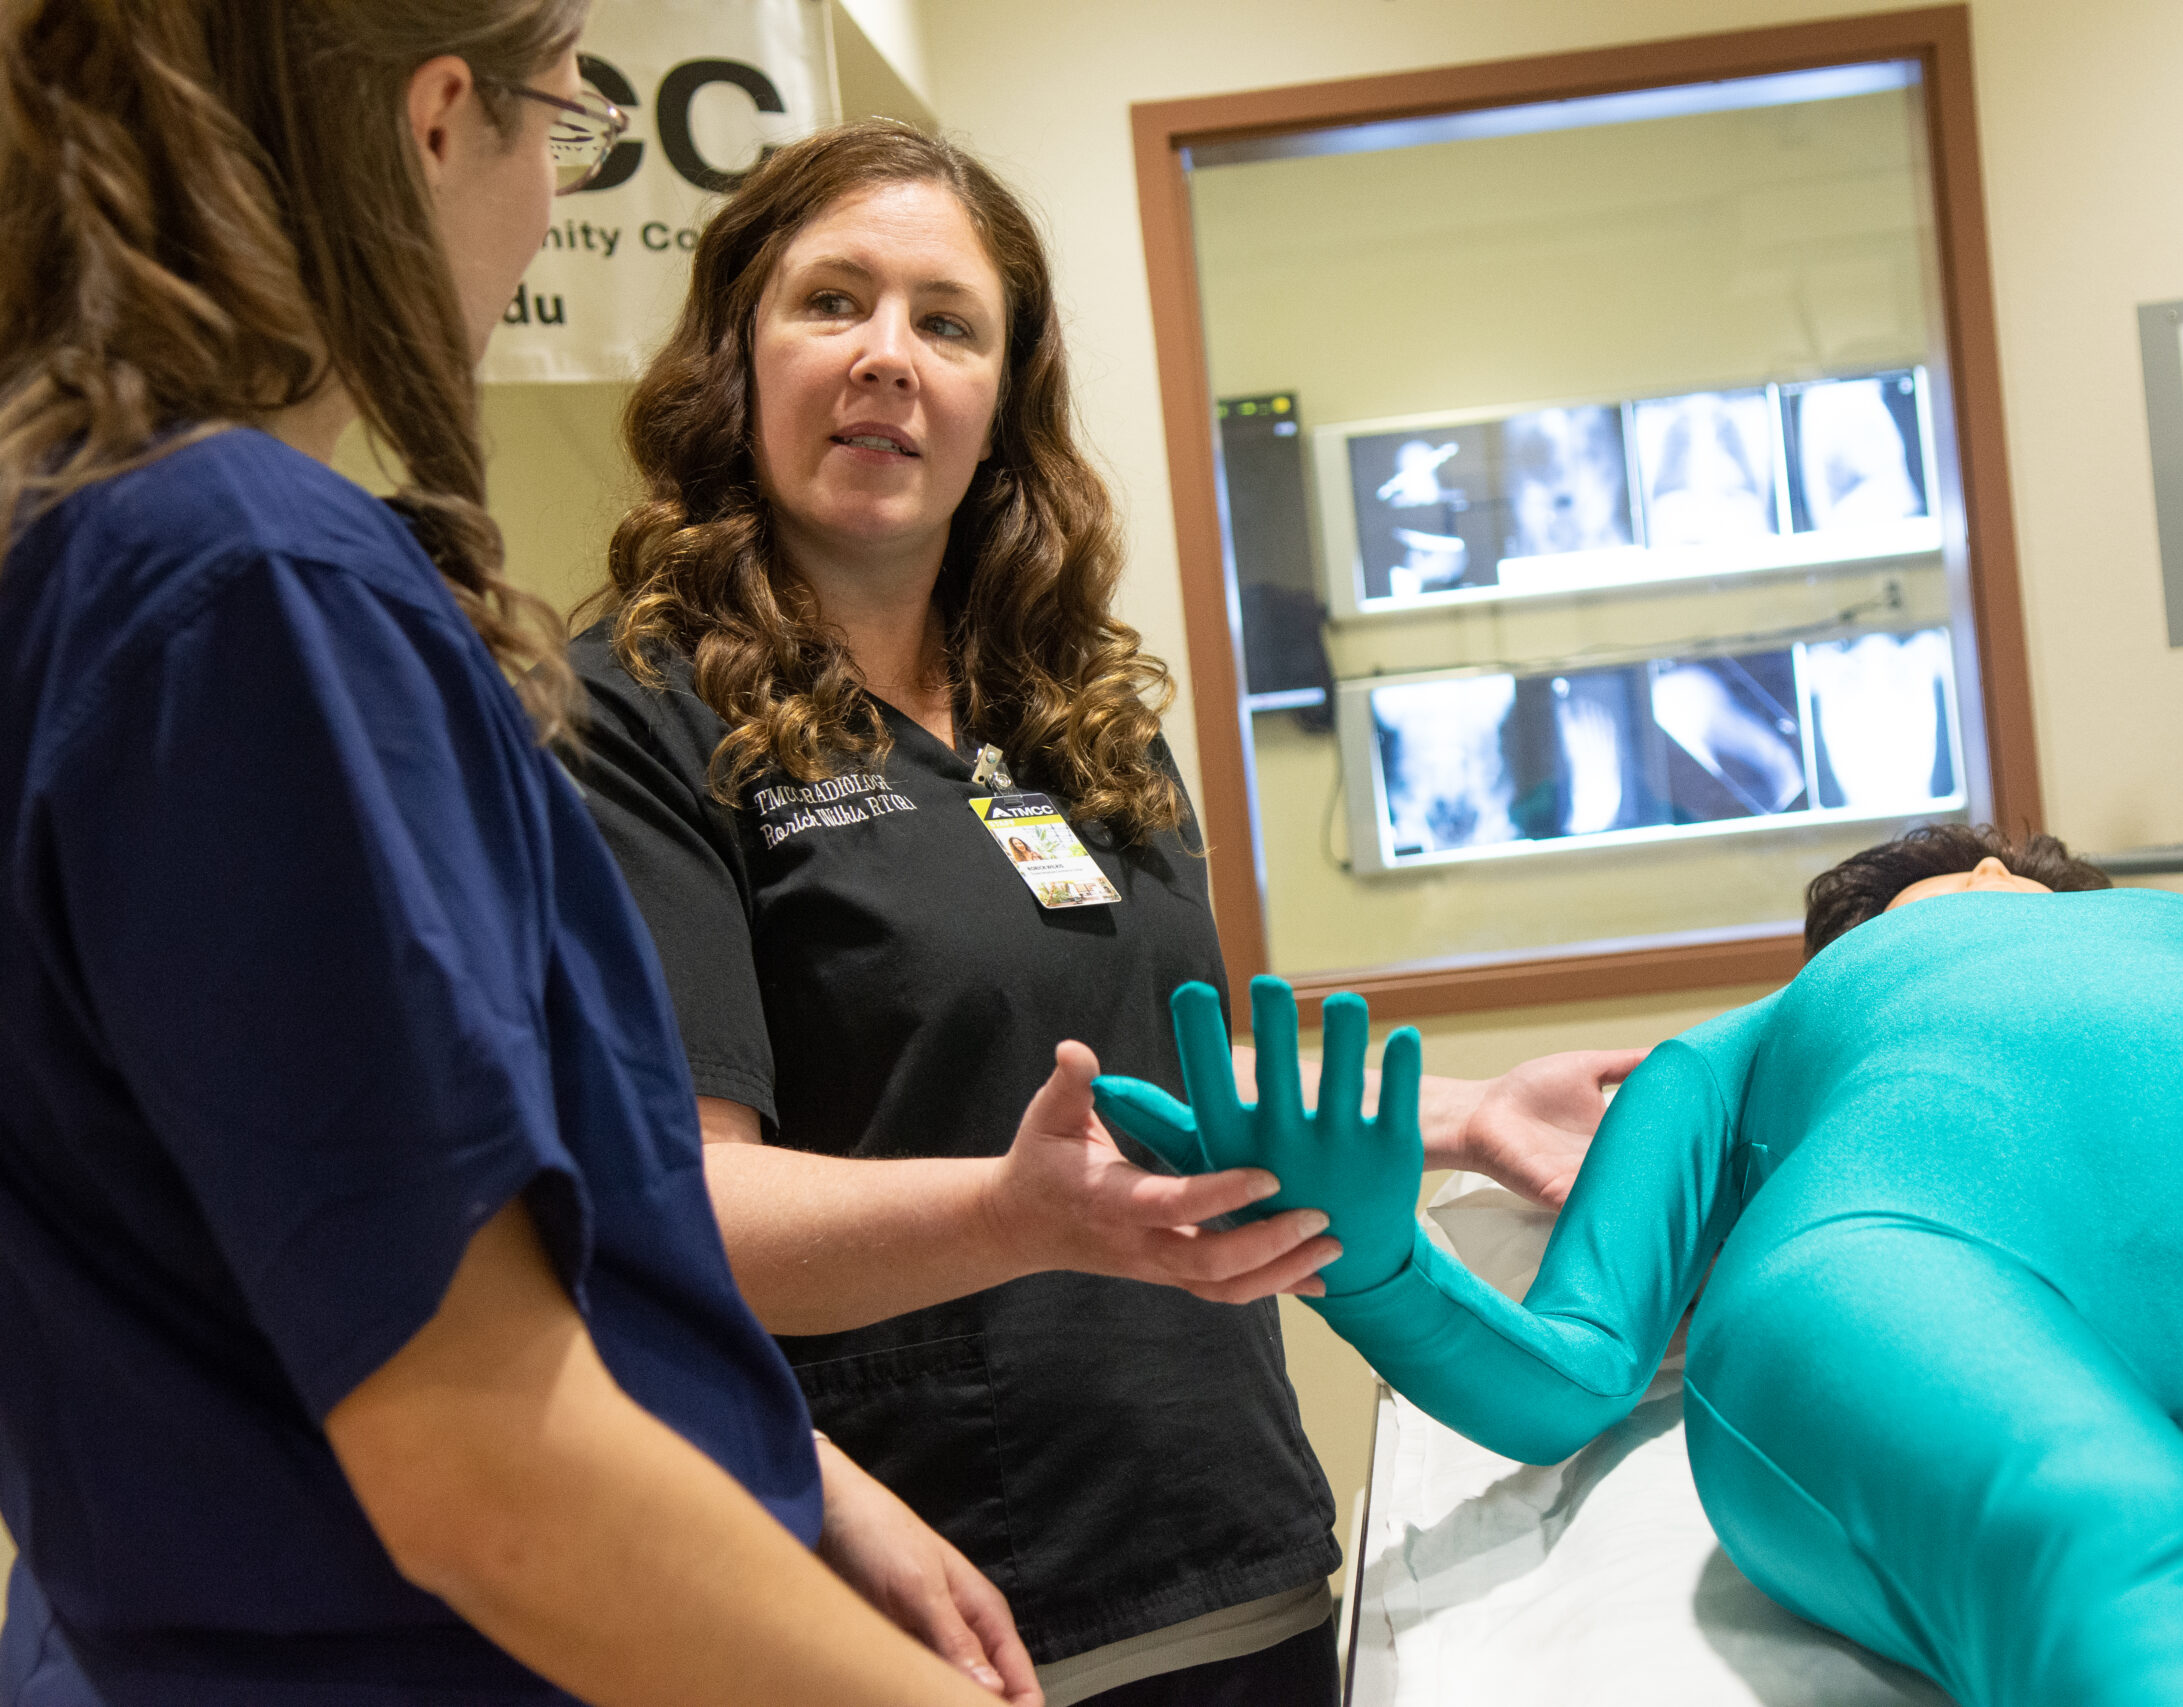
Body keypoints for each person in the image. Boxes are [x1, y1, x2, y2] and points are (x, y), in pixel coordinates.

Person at [0, 8, 1035, 1704]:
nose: (550, 202)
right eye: (559, 129)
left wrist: (794, 1473)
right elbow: (485, 1460)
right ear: (433, 126)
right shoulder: (257, 590)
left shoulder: (103, 552)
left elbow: (366, 1246)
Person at [568, 120, 1641, 1706]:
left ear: (1002, 401)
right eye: (832, 303)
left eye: (946, 322)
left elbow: (1160, 1092)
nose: (887, 358)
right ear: (736, 353)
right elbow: (678, 1217)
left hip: (1228, 1548)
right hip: (927, 1607)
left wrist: (1470, 1116)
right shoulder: (632, 721)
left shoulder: (1072, 713)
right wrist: (1012, 1217)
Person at [1093, 823, 2183, 1707]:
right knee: (2119, 1562)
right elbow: (1569, 1382)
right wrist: (1375, 1263)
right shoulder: (1748, 1039)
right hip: (1914, 1245)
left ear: (2013, 874)